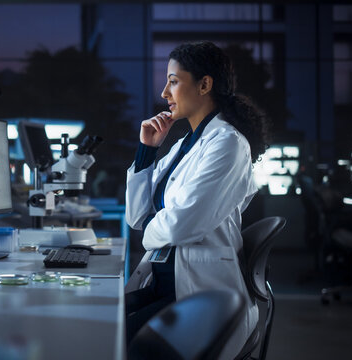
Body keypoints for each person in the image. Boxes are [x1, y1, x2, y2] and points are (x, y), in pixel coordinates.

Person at [125, 41, 270, 360]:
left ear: (205, 84)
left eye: (173, 81)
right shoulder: (183, 146)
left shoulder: (228, 144)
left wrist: (152, 228)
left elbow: (181, 225)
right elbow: (136, 217)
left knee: (113, 342)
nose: (164, 92)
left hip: (199, 296)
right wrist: (147, 149)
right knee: (104, 323)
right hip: (166, 284)